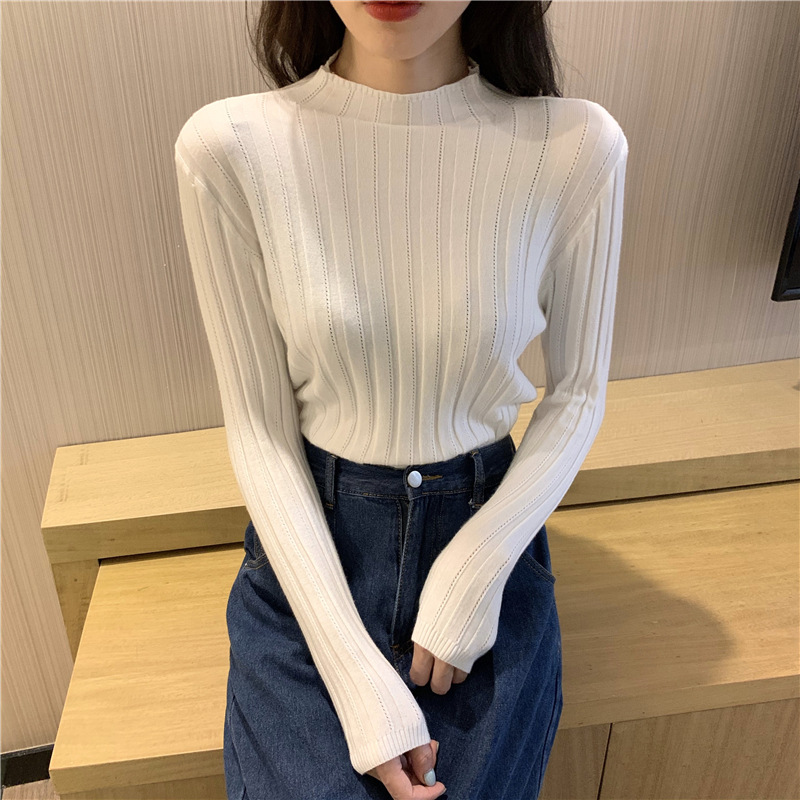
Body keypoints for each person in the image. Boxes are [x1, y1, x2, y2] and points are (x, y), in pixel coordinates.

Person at [174, 1, 628, 798]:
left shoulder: (577, 147)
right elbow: (258, 428)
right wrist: (354, 675)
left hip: (486, 546)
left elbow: (580, 392)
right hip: (312, 564)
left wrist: (477, 569)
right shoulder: (230, 148)